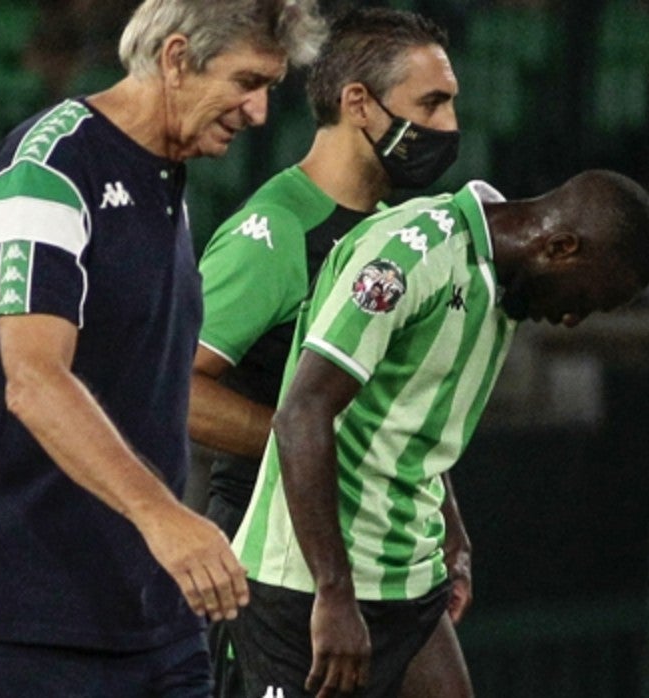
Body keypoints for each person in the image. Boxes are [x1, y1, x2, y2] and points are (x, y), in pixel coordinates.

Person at [0, 1, 326, 696]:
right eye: (247, 82)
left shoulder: (166, 180)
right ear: (177, 59)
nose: (257, 113)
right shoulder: (47, 166)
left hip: (153, 620)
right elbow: (34, 381)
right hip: (13, 620)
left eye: (269, 90)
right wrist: (164, 516)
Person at [229, 169, 649, 697]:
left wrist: (449, 523)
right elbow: (301, 415)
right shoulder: (410, 255)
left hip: (407, 578)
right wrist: (334, 593)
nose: (573, 319)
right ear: (561, 246)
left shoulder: (503, 285)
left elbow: (407, 419)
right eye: (586, 299)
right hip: (306, 582)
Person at [187, 9, 472, 695]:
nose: (450, 125)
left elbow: (380, 405)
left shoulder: (390, 235)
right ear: (357, 104)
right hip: (272, 549)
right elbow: (173, 386)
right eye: (431, 103)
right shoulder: (278, 231)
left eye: (452, 102)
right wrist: (302, 442)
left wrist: (449, 524)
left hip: (375, 544)